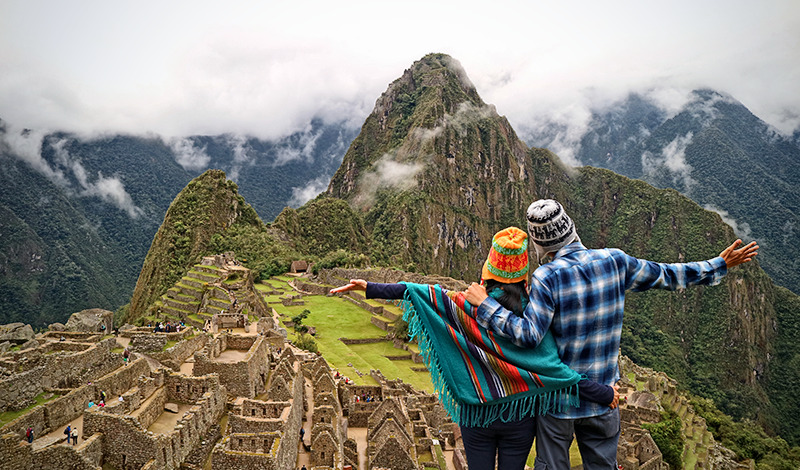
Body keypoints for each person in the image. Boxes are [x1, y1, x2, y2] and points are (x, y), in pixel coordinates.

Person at [463, 199, 759, 469]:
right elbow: (667, 275)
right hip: (604, 398)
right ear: (572, 230)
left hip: (558, 404)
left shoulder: (547, 277)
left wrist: (486, 305)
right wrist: (719, 264)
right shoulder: (615, 261)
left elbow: (528, 336)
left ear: (540, 246)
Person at [332, 227, 618, 470]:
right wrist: (603, 393)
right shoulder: (533, 316)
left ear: (488, 271)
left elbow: (418, 291)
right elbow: (554, 370)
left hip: (476, 415)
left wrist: (369, 287)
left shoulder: (463, 306)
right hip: (519, 417)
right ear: (524, 276)